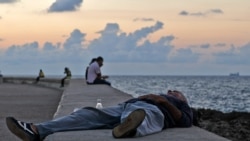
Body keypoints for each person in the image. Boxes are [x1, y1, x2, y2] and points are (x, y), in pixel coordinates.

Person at [6, 90, 193, 141]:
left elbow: (184, 122)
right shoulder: (159, 96)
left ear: (183, 99)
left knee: (144, 116)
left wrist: (162, 101)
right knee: (88, 114)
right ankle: (37, 130)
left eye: (176, 92)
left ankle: (130, 129)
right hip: (127, 105)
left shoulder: (181, 106)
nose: (171, 91)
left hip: (154, 110)